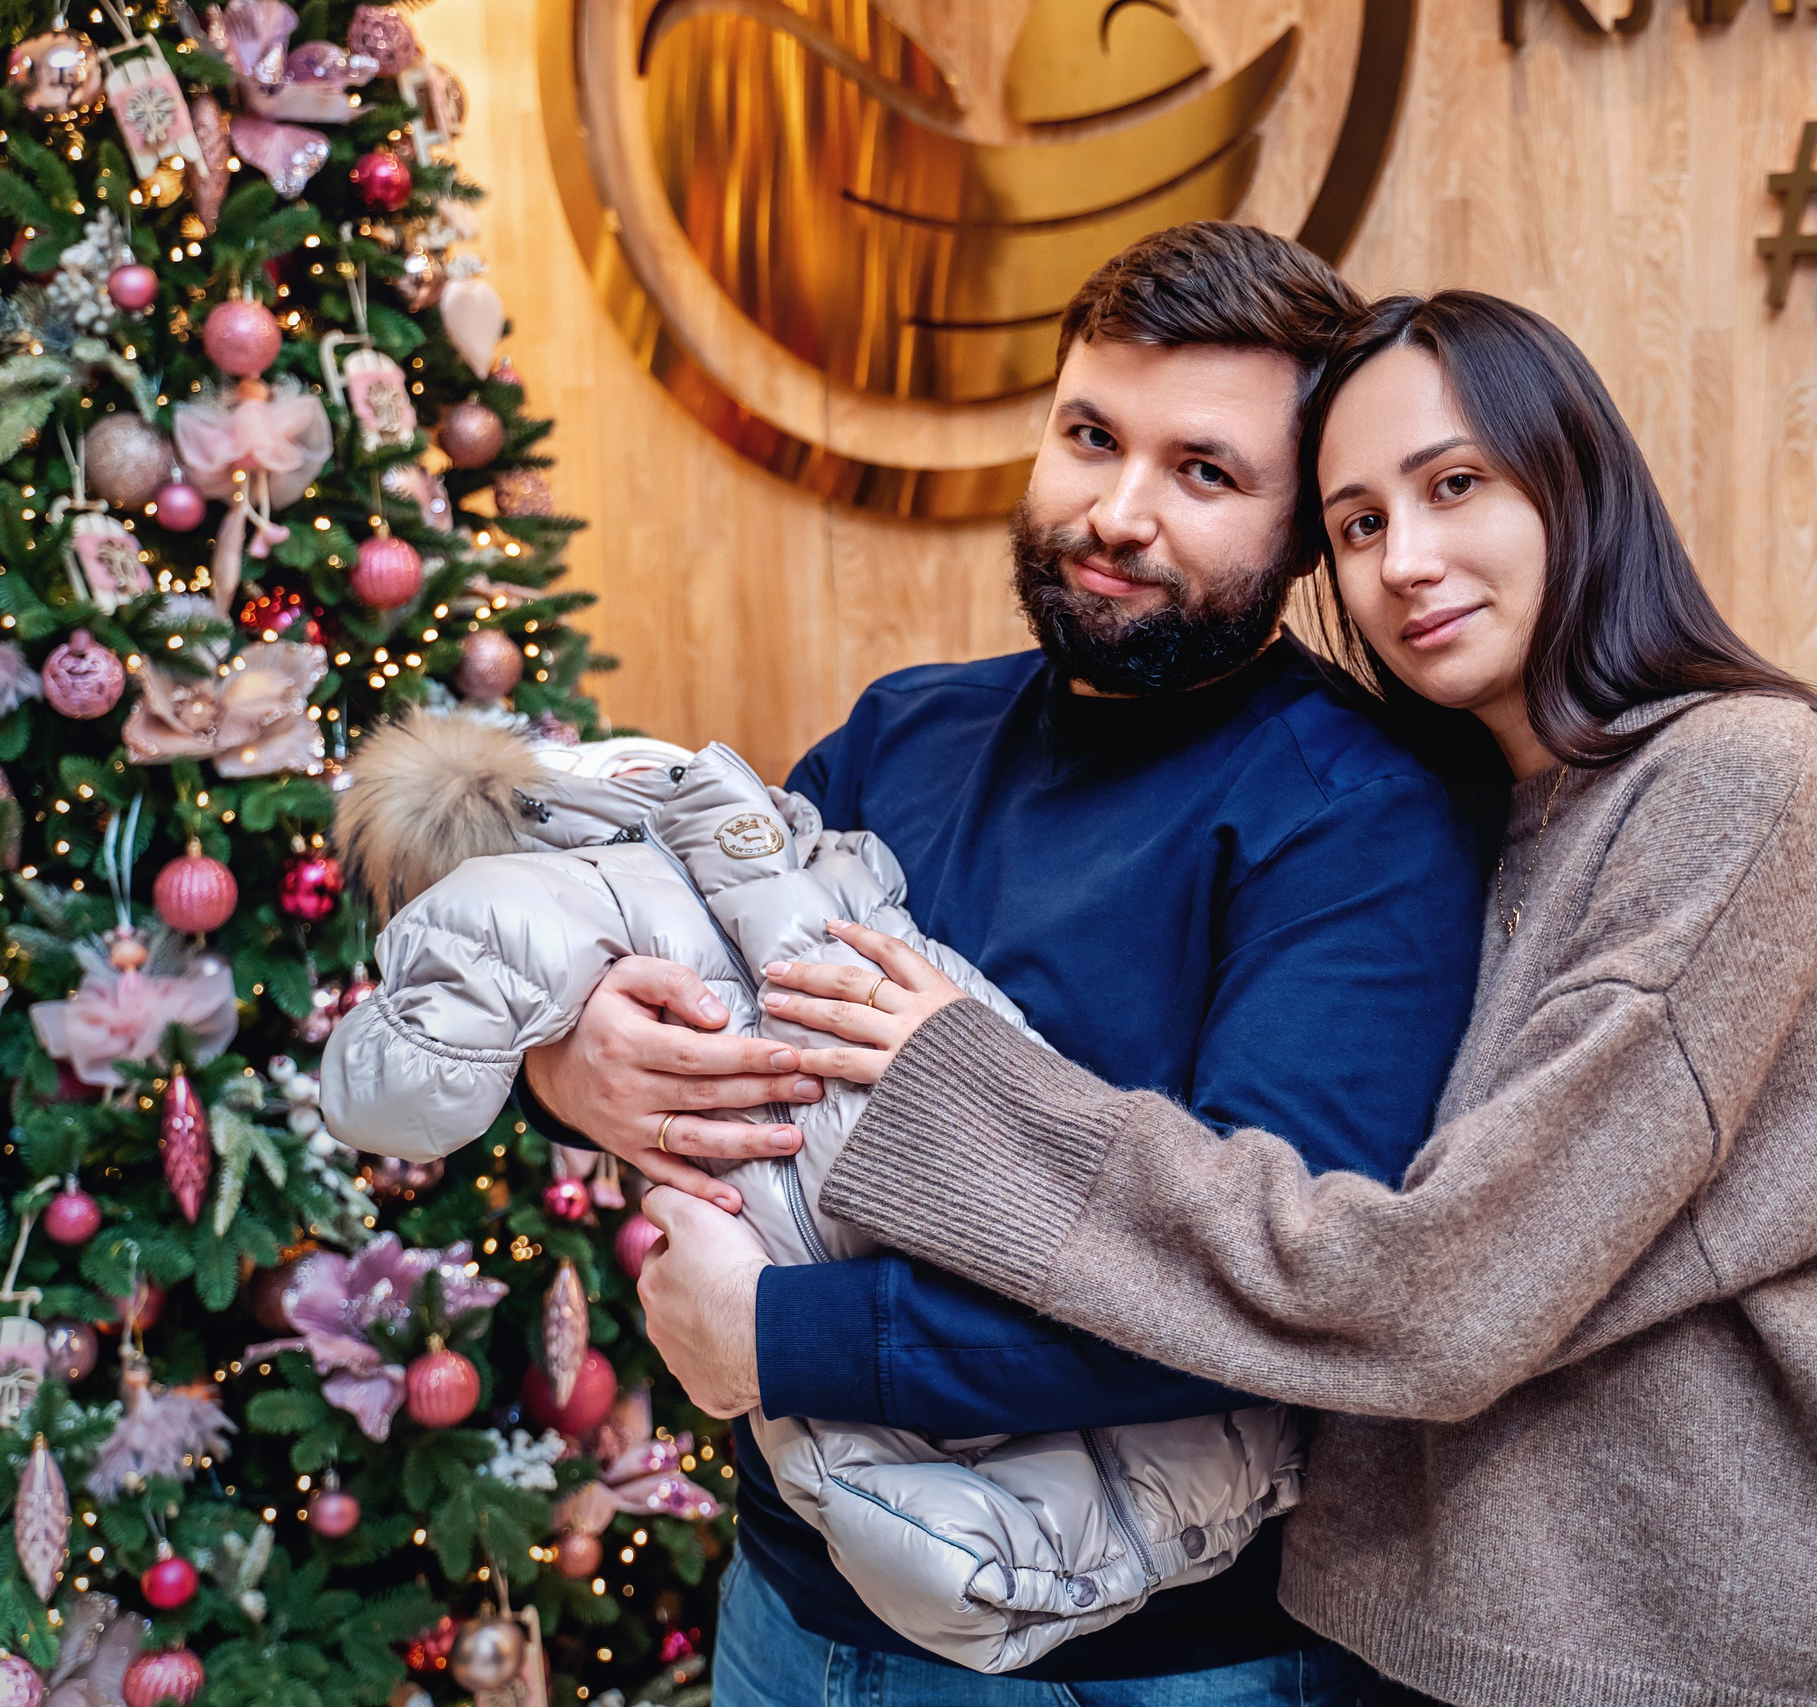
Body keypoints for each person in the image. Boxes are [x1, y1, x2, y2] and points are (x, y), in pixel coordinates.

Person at [746, 292, 1817, 1707]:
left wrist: (948, 1090)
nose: (1407, 563)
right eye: (1363, 523)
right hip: (1418, 1640)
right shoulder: (1499, 801)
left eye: (1454, 488)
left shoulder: (1737, 780)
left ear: (1576, 480)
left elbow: (1437, 1290)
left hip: (1644, 1662)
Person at [521, 225, 1487, 1704]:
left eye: (1203, 472)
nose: (1118, 512)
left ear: (1303, 536)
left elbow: (1262, 1297)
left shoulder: (1356, 823)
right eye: (1089, 437)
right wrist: (578, 1057)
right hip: (794, 1616)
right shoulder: (903, 734)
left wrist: (781, 1339)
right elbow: (682, 994)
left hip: (1153, 1664)